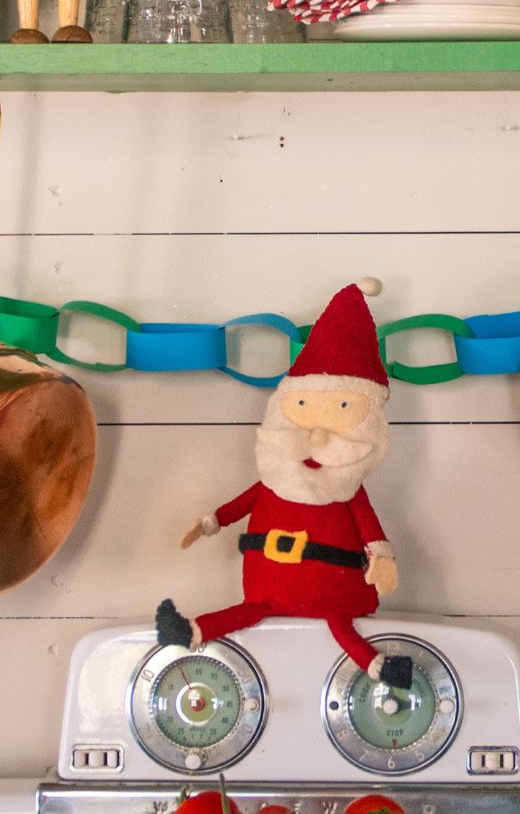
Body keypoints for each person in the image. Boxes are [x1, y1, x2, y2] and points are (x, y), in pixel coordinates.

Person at [155, 283, 413, 691]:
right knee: (253, 611)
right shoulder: (278, 479)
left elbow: (369, 528)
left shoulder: (344, 488)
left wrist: (382, 559)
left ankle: (382, 669)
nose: (317, 436)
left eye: (342, 410)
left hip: (332, 591)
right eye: (304, 410)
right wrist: (209, 522)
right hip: (268, 586)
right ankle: (187, 632)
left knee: (341, 626)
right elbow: (239, 505)